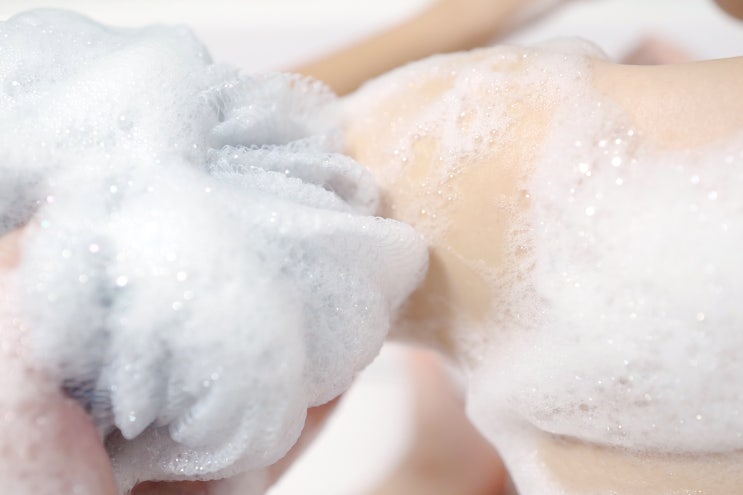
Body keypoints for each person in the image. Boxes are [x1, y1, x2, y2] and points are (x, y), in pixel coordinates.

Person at [2, 2, 743, 495]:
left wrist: (464, 17)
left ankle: (438, 470)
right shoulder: (589, 164)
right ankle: (440, 469)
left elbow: (232, 161)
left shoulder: (524, 149)